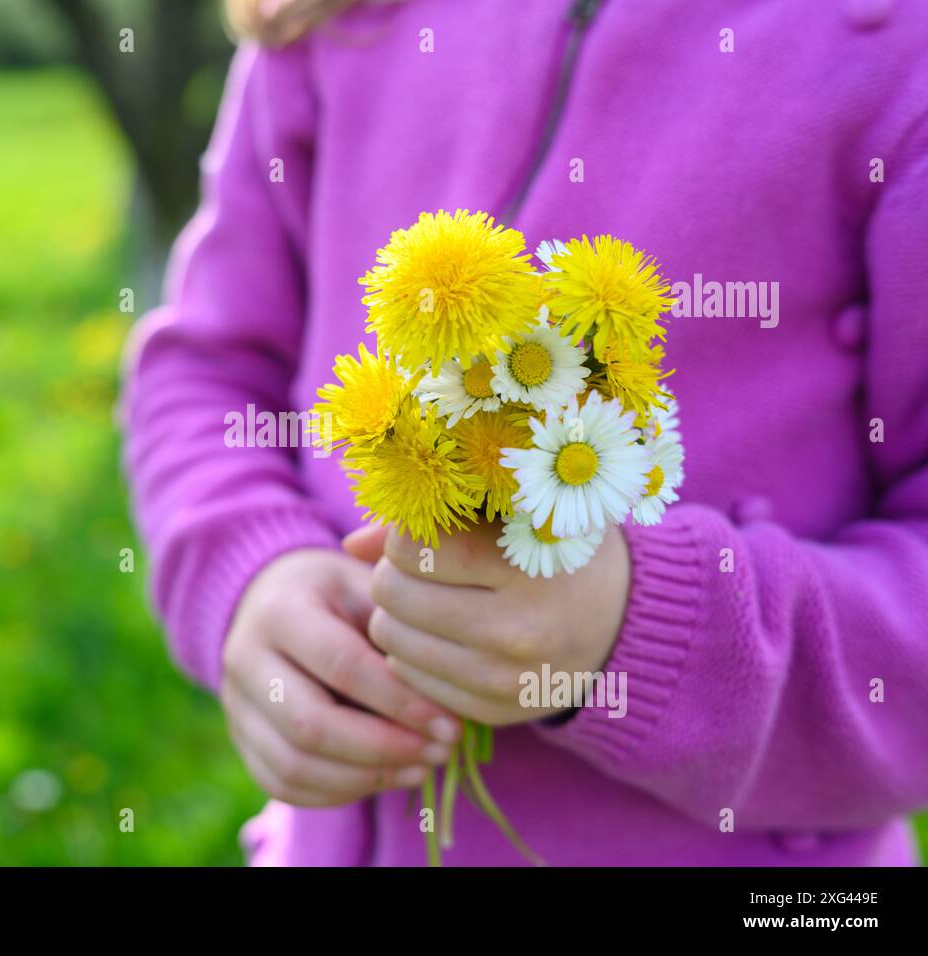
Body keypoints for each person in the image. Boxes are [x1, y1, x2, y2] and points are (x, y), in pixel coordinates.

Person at [122, 0, 928, 865]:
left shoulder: (895, 53)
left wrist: (645, 634)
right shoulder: (332, 20)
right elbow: (206, 369)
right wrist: (252, 569)